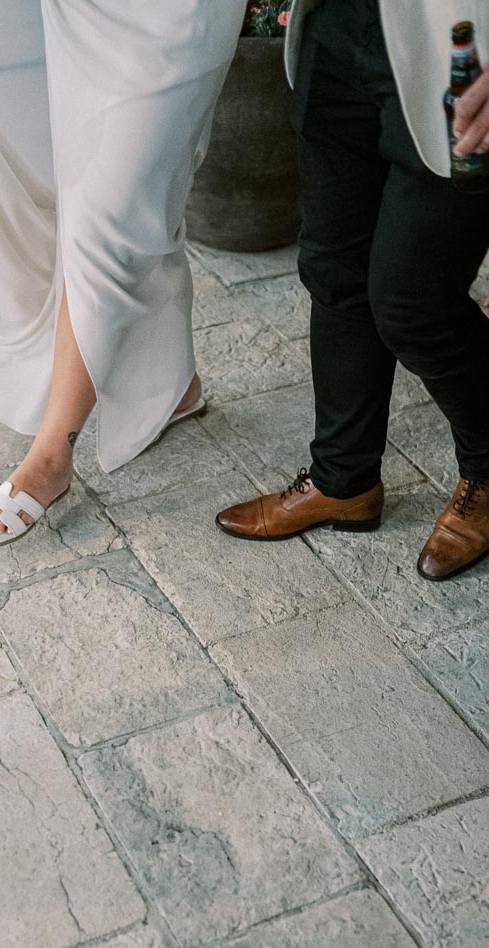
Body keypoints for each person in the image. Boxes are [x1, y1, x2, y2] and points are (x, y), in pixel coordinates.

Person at [0, 0, 246, 547]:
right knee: (129, 199)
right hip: (80, 15)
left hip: (180, 15)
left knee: (117, 210)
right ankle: (172, 385)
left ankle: (54, 449)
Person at [217, 0, 489, 581]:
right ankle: (344, 480)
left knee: (415, 303)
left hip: (462, 43)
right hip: (334, 25)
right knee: (334, 269)